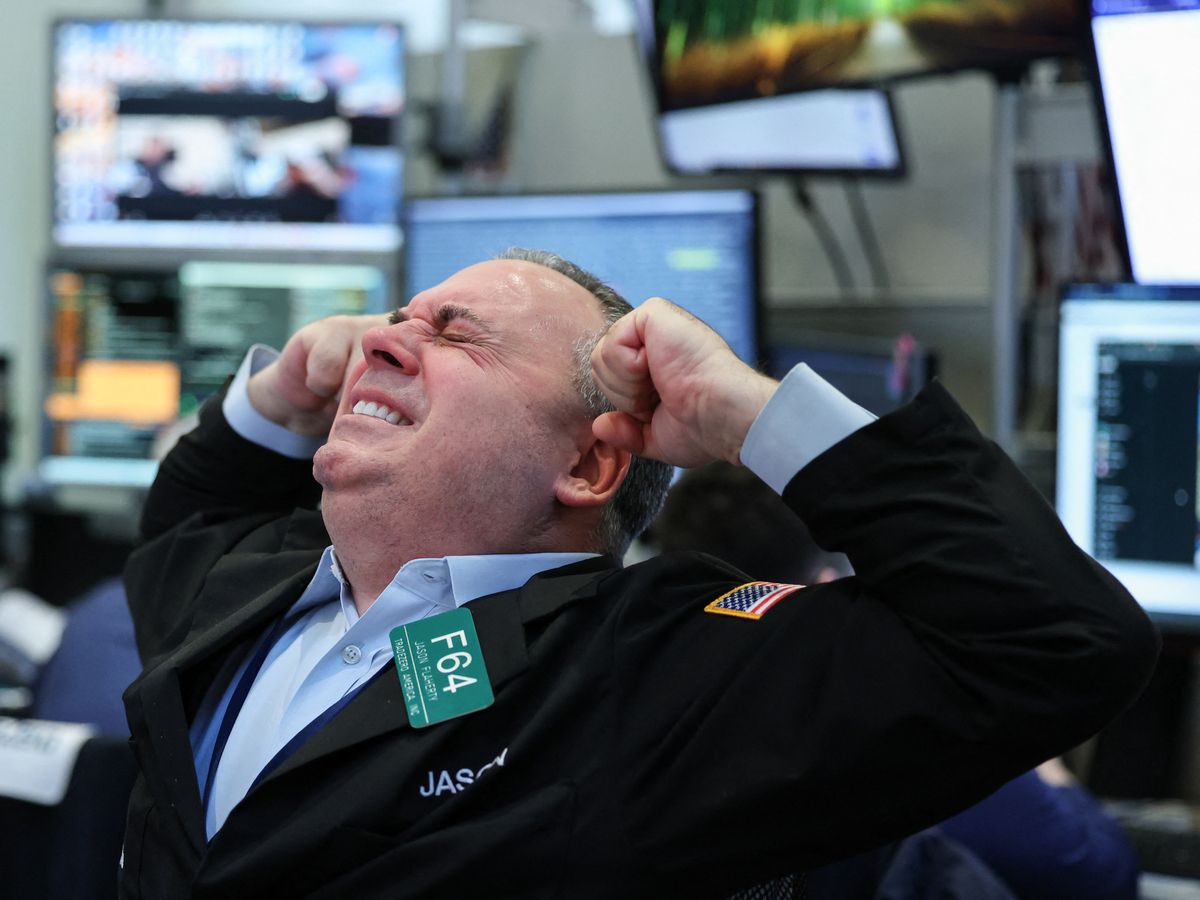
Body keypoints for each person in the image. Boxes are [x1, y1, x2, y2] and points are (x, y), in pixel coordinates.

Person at [120, 248, 1158, 899]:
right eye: (394, 324)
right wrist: (285, 391)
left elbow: (1056, 640)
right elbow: (191, 509)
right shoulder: (250, 588)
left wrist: (753, 414)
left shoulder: (654, 667)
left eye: (453, 335)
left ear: (587, 465)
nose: (383, 347)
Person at [653, 462, 1141, 900]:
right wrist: (1042, 758)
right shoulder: (896, 727)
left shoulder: (639, 715)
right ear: (821, 589)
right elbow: (1102, 874)